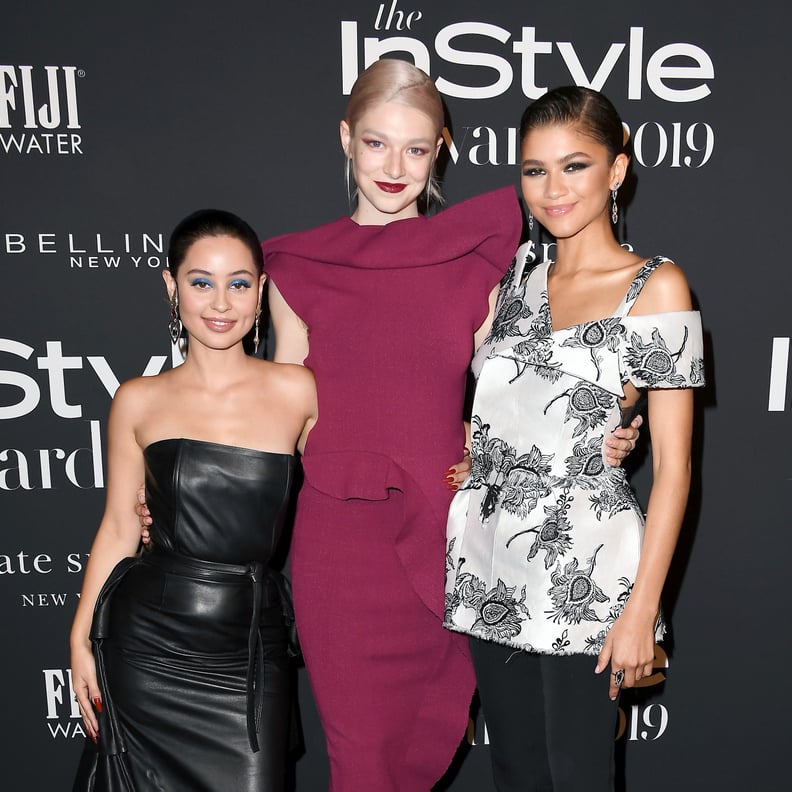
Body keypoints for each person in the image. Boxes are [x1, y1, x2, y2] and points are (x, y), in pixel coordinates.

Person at [260, 63, 638, 790]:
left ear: (442, 151)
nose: (395, 167)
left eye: (416, 148)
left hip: (452, 537)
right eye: (376, 144)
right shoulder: (299, 268)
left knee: (420, 756)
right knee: (361, 761)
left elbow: (524, 392)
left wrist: (613, 430)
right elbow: (279, 413)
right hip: (338, 546)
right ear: (346, 140)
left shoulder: (475, 264)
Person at [444, 86, 706, 791]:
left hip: (586, 570)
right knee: (517, 772)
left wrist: (641, 612)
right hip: (490, 561)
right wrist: (482, 454)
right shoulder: (515, 280)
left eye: (575, 166)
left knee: (578, 774)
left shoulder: (656, 287)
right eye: (534, 170)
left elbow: (677, 469)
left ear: (617, 171)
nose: (552, 189)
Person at [70, 209, 317, 792]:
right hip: (147, 642)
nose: (220, 302)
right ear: (170, 286)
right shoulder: (138, 400)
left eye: (238, 282)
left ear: (261, 291)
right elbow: (116, 529)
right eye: (200, 281)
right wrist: (80, 637)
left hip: (250, 647)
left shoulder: (299, 391)